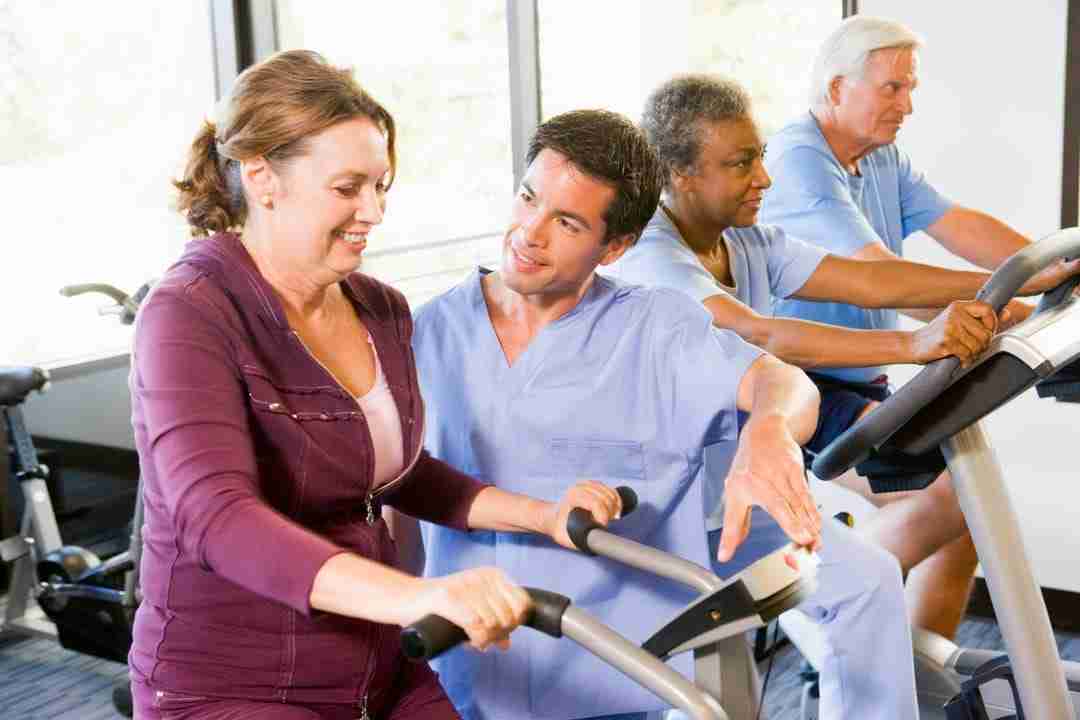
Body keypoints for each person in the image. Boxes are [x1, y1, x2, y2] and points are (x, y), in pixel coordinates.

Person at [129, 49, 624, 720]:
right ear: (261, 177)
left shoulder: (379, 309)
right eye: (348, 187)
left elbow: (398, 474)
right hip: (235, 685)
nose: (375, 210)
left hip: (375, 667)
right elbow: (218, 518)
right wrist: (420, 595)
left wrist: (541, 516)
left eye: (382, 185)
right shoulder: (190, 310)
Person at [407, 109, 918, 720]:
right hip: (469, 668)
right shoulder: (426, 330)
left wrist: (770, 430)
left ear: (615, 246)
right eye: (527, 198)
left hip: (620, 675)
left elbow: (782, 382)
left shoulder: (654, 326)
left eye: (566, 222)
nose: (528, 233)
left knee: (867, 579)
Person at [603, 73, 1078, 587]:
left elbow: (871, 280)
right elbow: (758, 334)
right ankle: (818, 603)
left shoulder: (749, 242)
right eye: (741, 164)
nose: (765, 178)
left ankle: (871, 637)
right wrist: (913, 344)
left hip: (763, 428)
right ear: (679, 175)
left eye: (760, 156)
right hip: (681, 477)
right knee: (905, 537)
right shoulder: (651, 254)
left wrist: (1029, 281)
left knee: (962, 502)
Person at [758, 15, 1077, 639]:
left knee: (966, 521)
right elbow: (884, 279)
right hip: (800, 387)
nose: (907, 104)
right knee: (954, 502)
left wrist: (1055, 268)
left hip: (863, 382)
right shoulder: (799, 157)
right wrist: (1014, 303)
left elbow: (960, 224)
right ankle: (803, 598)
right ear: (836, 88)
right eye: (892, 88)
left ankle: (907, 675)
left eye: (911, 87)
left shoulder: (880, 158)